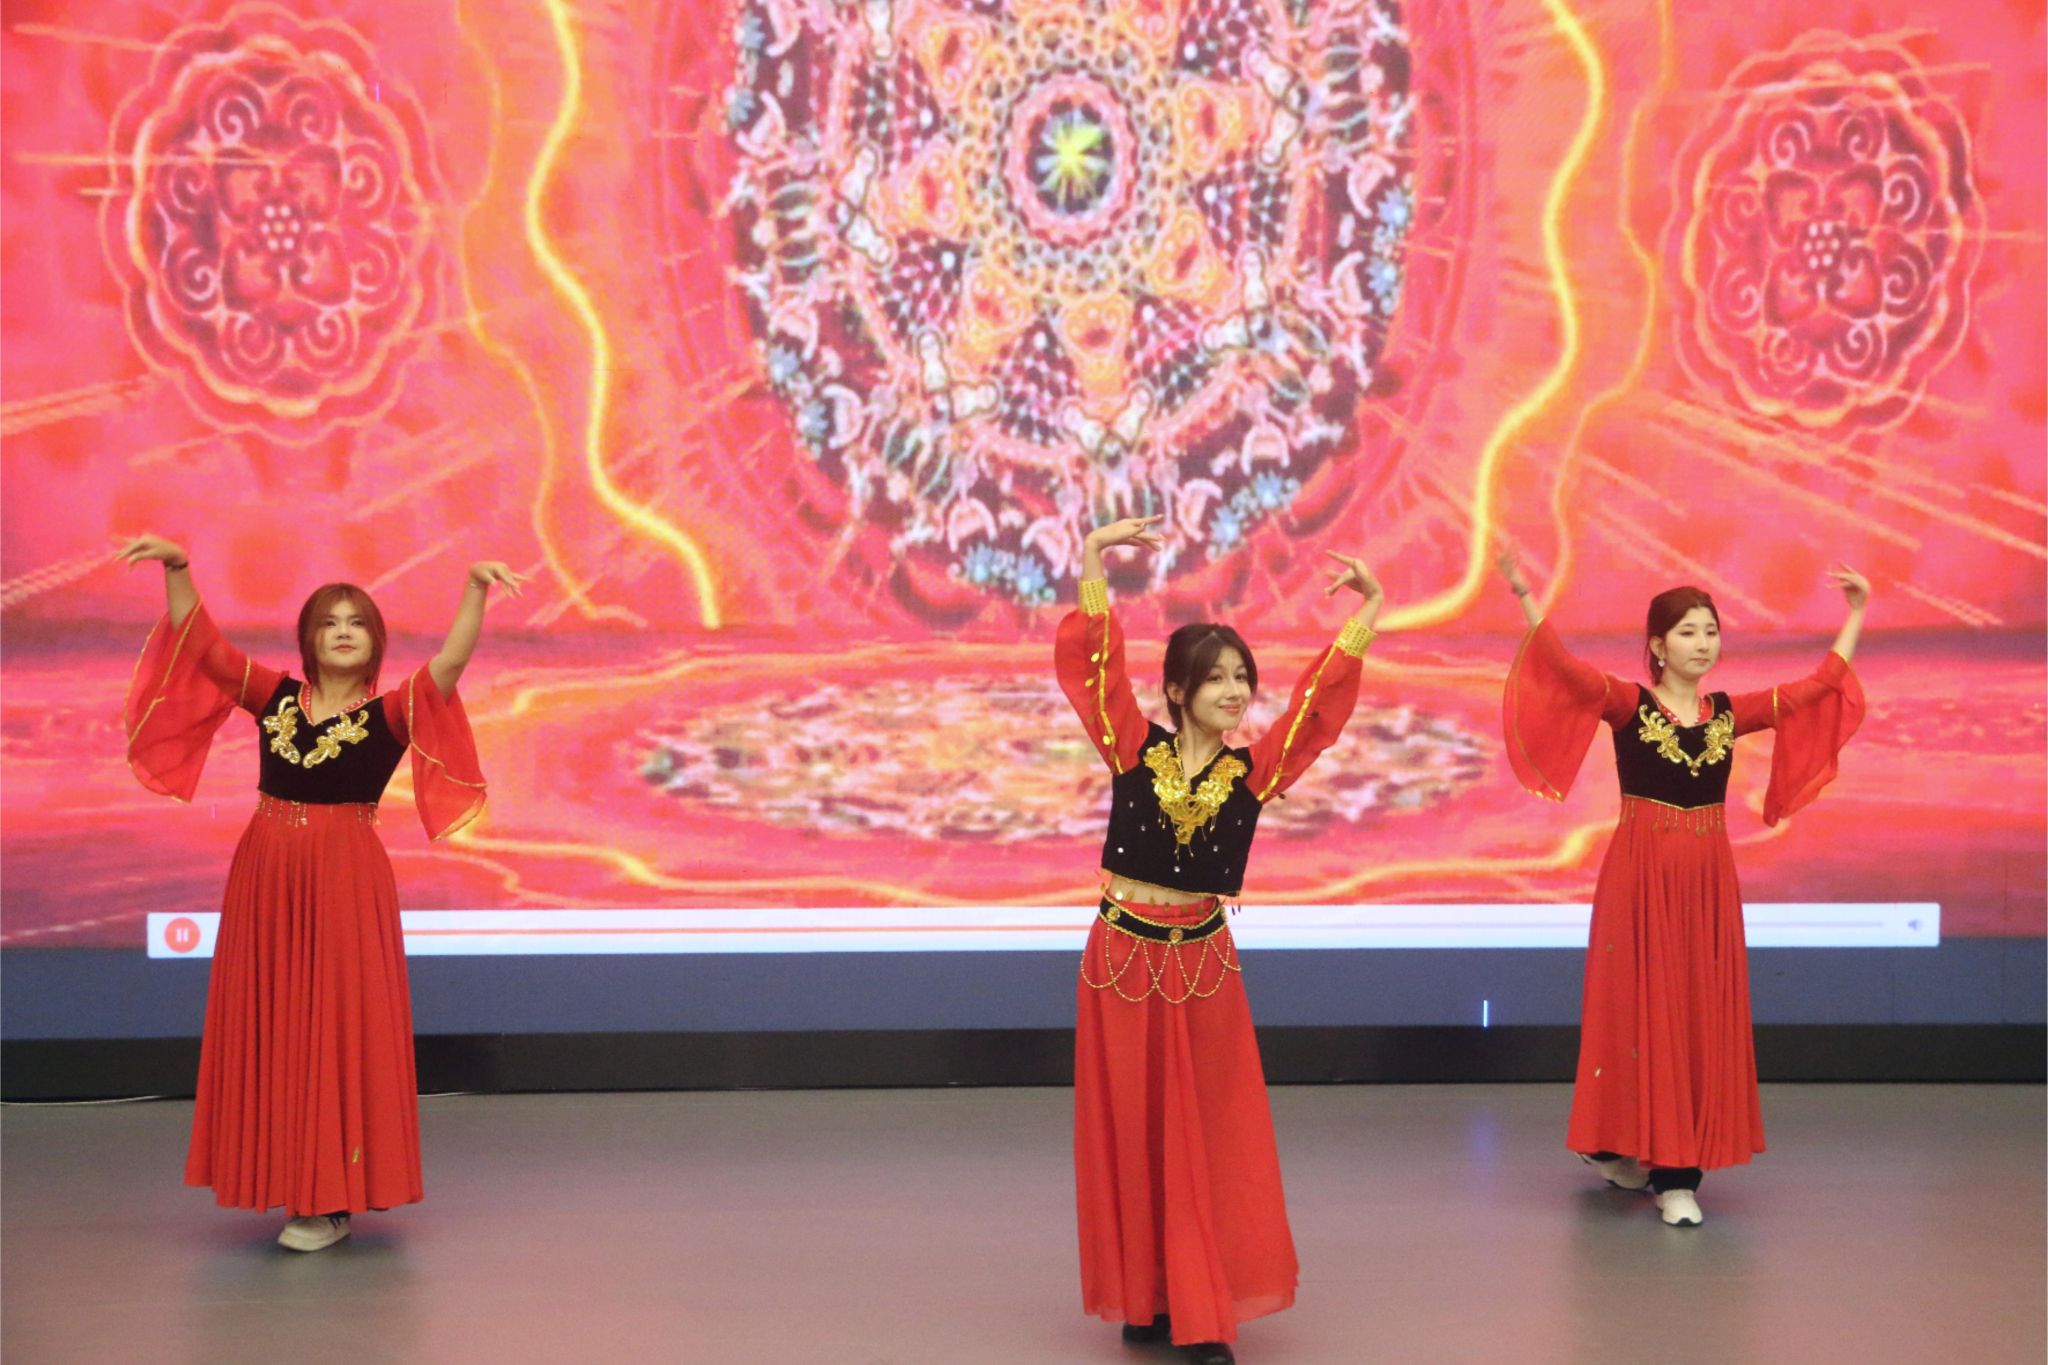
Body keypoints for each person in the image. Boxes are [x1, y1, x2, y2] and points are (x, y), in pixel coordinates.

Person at [119, 534, 518, 1251]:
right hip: (266, 877)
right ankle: (286, 1179)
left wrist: (474, 589)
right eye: (329, 622)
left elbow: (451, 663)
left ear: (375, 642)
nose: (343, 631)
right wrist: (179, 567)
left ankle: (331, 1200)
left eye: (357, 622)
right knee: (276, 1024)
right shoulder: (273, 697)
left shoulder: (392, 712)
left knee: (336, 1027)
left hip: (344, 880)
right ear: (308, 639)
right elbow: (203, 646)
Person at [1054, 515, 1385, 1363]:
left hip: (1202, 966)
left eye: (1243, 677)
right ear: (1177, 690)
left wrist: (1366, 614)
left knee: (1205, 1135)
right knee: (1134, 1129)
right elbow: (1095, 671)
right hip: (1122, 960)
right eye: (1217, 678)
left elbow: (1314, 712)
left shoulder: (1253, 773)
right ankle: (1145, 1293)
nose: (1237, 691)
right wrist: (1091, 561)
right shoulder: (1132, 747)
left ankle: (1200, 1308)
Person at [1496, 551, 1868, 1225]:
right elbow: (1562, 669)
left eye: (1711, 631)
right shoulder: (1628, 704)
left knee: (1696, 1015)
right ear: (1658, 646)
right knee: (1636, 1011)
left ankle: (1676, 1174)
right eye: (1689, 632)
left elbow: (1818, 688)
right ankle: (1620, 1149)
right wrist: (1524, 593)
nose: (1703, 643)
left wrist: (1857, 614)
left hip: (1706, 882)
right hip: (1640, 879)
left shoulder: (1728, 712)